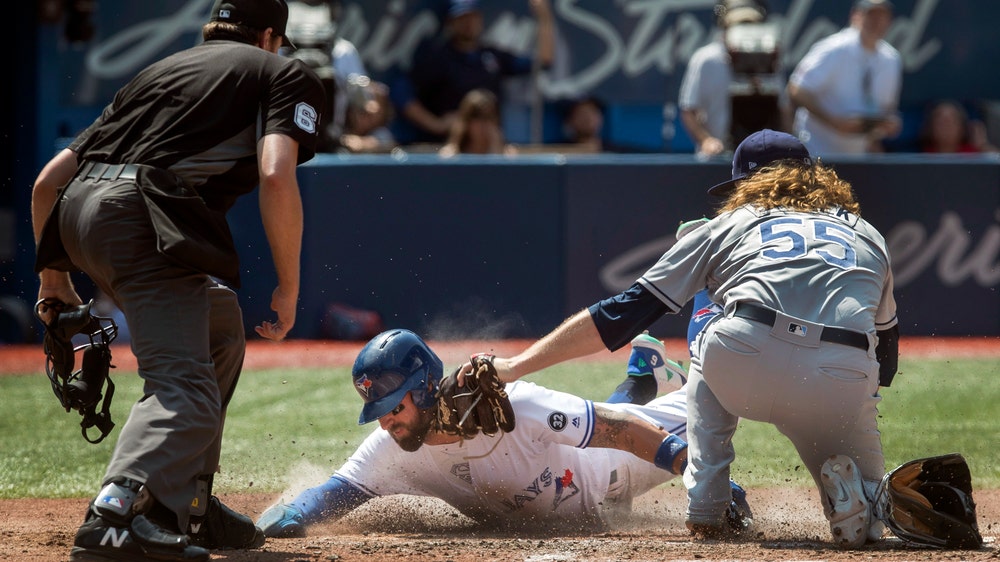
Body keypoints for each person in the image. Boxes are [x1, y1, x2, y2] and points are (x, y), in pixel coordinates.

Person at [455, 129, 899, 548]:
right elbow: (888, 359)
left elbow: (621, 315)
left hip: (743, 358)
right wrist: (837, 412)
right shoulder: (868, 233)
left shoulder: (726, 224)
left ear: (747, 184)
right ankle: (869, 495)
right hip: (843, 374)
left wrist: (514, 366)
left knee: (711, 317)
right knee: (871, 523)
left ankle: (708, 499)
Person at [30, 0, 325, 560]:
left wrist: (54, 281)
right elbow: (274, 174)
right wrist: (288, 285)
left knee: (218, 323)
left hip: (78, 214)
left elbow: (47, 182)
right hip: (140, 218)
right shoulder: (283, 71)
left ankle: (186, 504)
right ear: (269, 35)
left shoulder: (159, 71)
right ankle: (116, 512)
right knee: (185, 389)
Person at [254, 328, 752, 536]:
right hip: (575, 474)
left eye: (393, 404)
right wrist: (290, 514)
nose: (386, 419)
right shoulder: (392, 447)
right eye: (377, 410)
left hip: (609, 473)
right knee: (604, 411)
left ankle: (669, 357)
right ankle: (643, 375)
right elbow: (334, 493)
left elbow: (619, 432)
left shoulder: (514, 405)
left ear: (425, 388)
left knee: (724, 390)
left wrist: (696, 473)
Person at [395, 0, 555, 144]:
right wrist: (436, 124)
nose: (468, 23)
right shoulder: (438, 58)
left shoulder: (492, 56)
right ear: (450, 23)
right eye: (462, 18)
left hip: (489, 147)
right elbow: (401, 91)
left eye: (472, 17)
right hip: (448, 146)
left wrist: (544, 18)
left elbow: (543, 62)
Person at [787, 0, 902, 156]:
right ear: (856, 16)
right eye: (871, 14)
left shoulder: (891, 59)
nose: (877, 22)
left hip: (859, 156)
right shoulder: (834, 49)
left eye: (882, 16)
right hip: (817, 152)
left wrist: (886, 125)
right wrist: (834, 123)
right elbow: (797, 89)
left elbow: (885, 108)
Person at [679, 0, 788, 156]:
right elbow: (688, 109)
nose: (745, 29)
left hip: (762, 158)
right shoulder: (706, 60)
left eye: (751, 24)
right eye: (739, 24)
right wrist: (706, 141)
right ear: (724, 27)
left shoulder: (771, 59)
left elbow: (783, 108)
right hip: (718, 158)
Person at [438, 89, 518, 157]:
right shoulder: (451, 154)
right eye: (476, 117)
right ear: (466, 121)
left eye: (488, 117)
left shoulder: (508, 155)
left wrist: (497, 149)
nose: (482, 124)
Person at [338, 75, 398, 154]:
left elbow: (389, 144)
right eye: (361, 112)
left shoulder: (381, 133)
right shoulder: (339, 125)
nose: (364, 118)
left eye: (368, 115)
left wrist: (362, 143)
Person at [918, 99, 999, 154]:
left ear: (962, 128)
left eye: (951, 122)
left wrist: (983, 146)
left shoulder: (974, 154)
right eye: (941, 123)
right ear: (931, 128)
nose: (946, 127)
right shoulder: (923, 156)